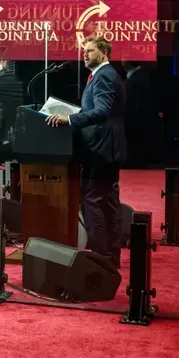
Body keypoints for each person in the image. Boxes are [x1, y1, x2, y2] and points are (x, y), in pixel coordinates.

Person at [47, 36, 126, 267]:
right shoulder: (102, 76)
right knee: (107, 201)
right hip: (105, 147)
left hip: (101, 149)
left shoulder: (104, 76)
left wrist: (69, 118)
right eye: (84, 51)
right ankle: (110, 255)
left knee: (93, 200)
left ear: (103, 53)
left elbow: (102, 111)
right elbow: (97, 109)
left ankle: (100, 257)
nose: (84, 54)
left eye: (89, 51)